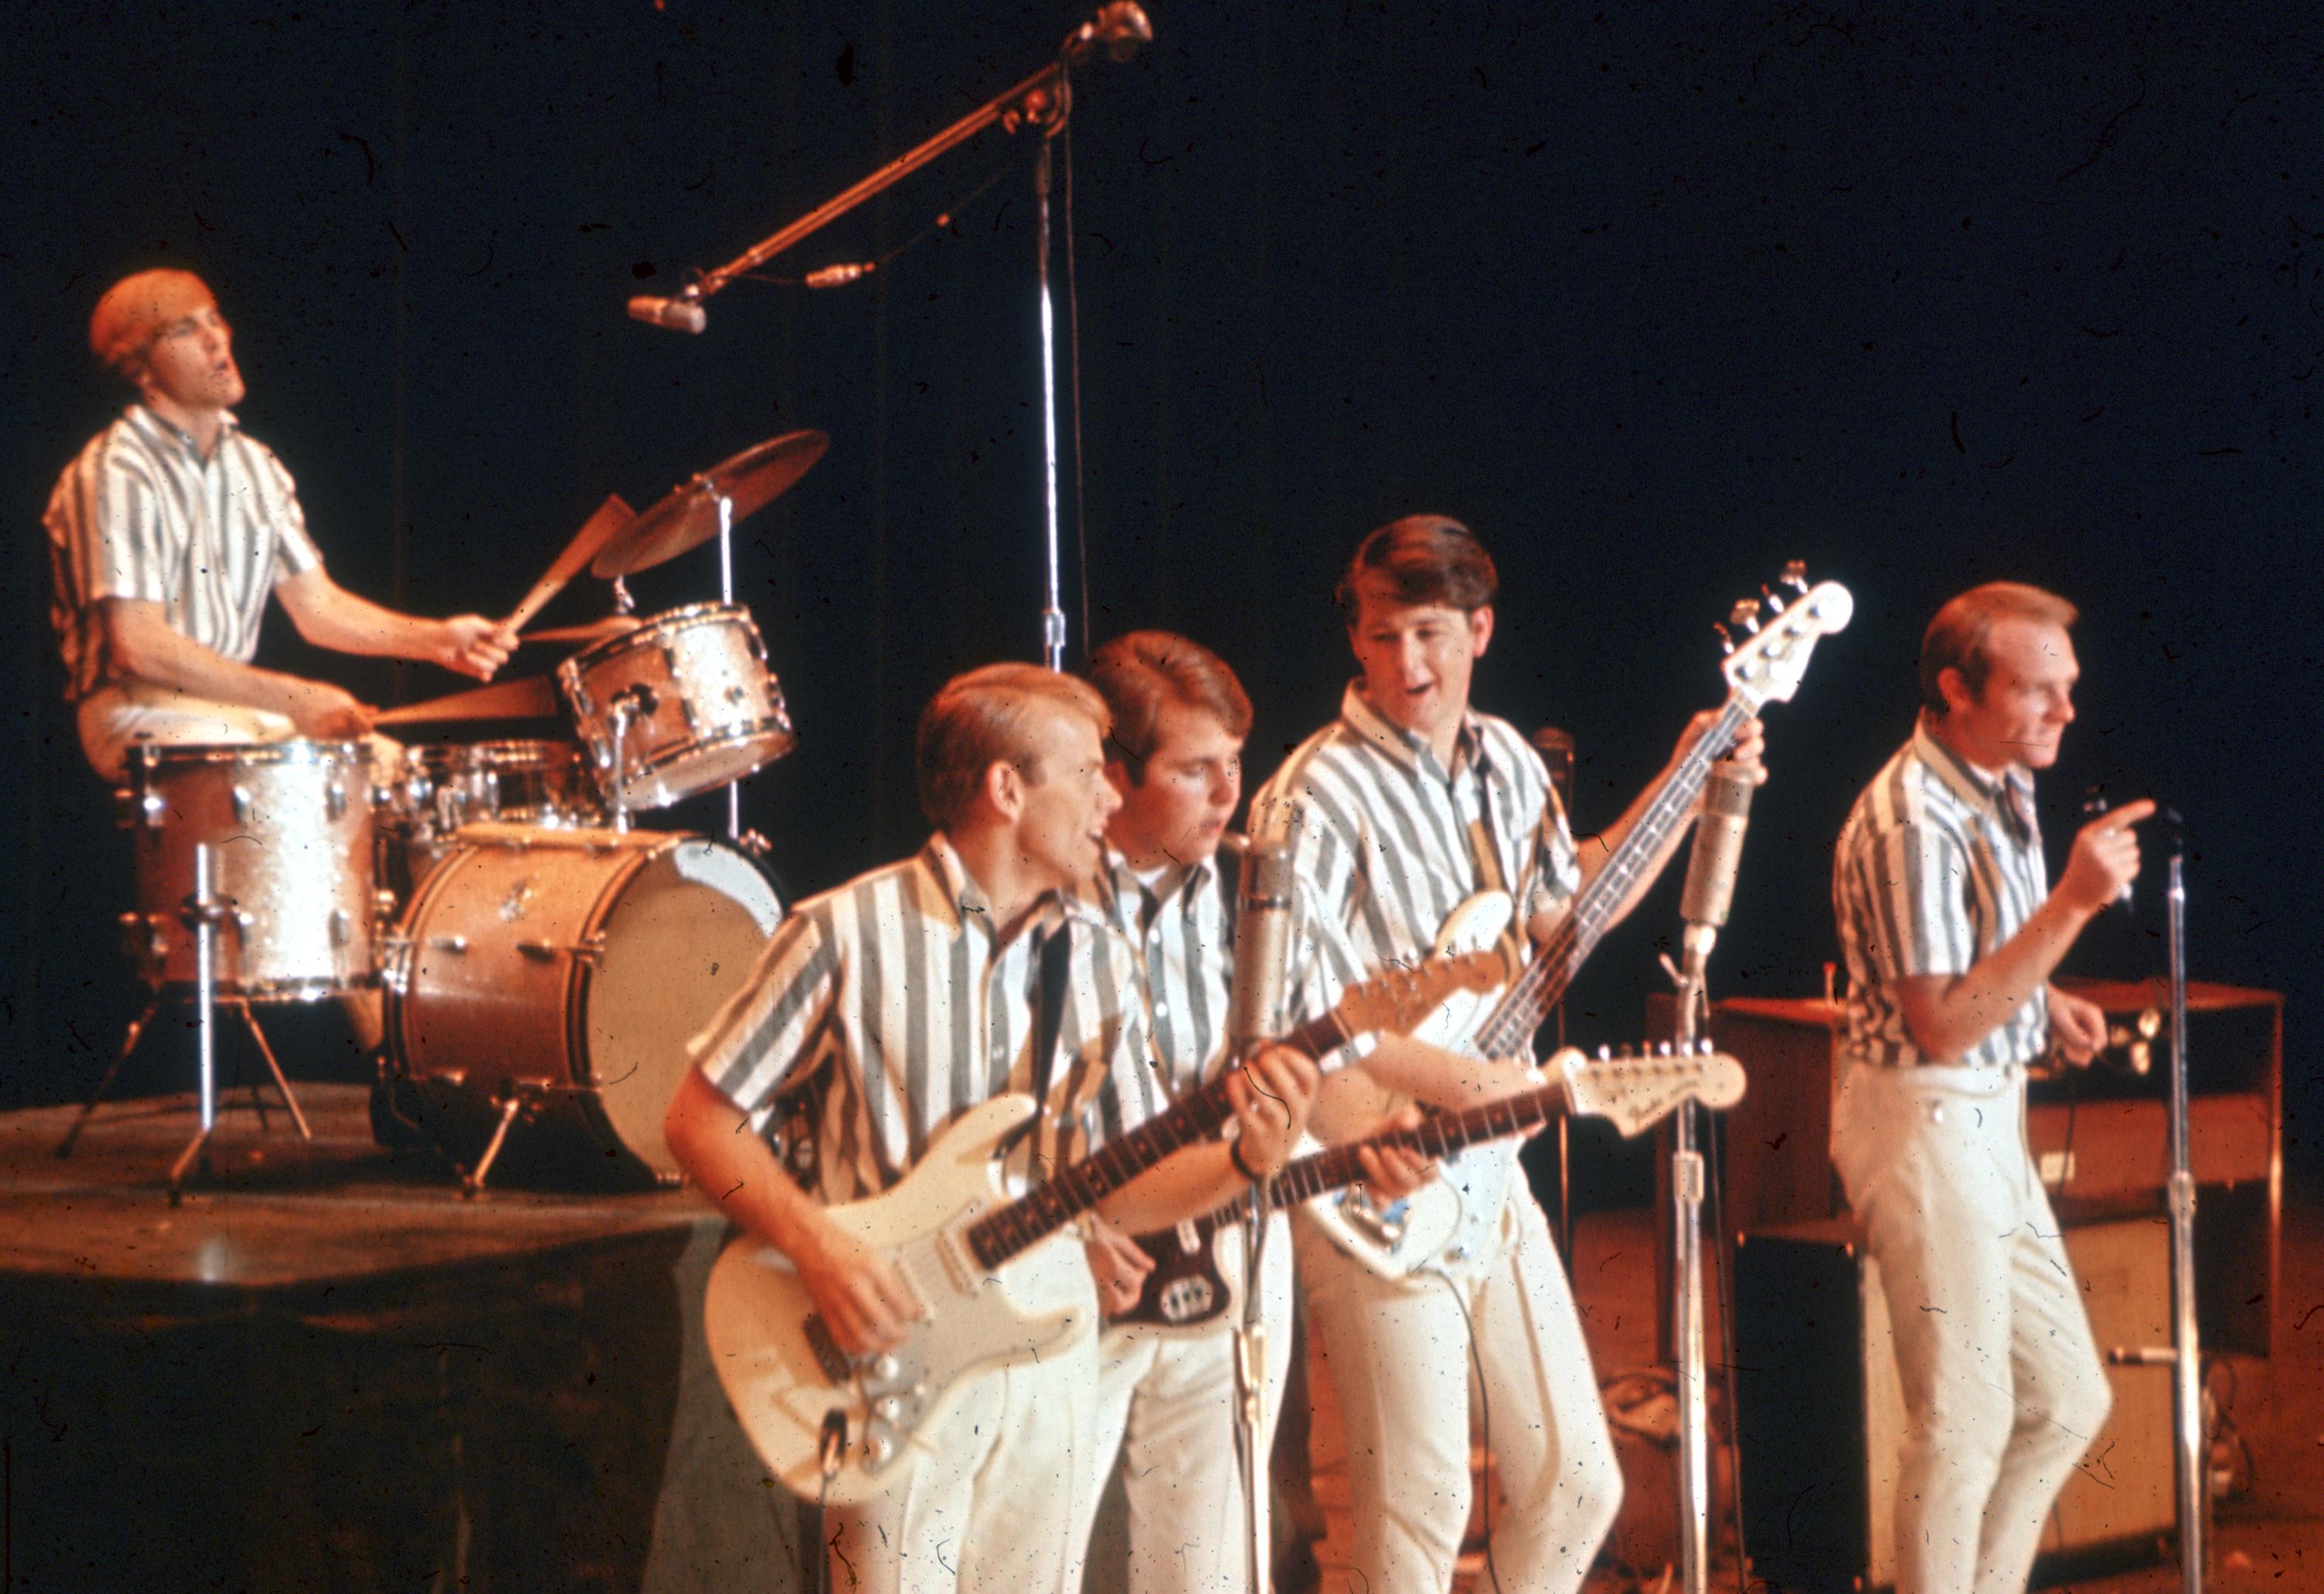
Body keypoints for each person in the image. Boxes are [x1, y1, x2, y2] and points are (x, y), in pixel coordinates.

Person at [663, 662, 1319, 1594]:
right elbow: (699, 1123)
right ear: (1007, 789)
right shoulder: (845, 932)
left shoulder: (1094, 956)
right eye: (1088, 772)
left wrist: (1247, 1159)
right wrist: (817, 1250)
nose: (1110, 797)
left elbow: (1118, 1186)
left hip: (1049, 1344)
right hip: (892, 1349)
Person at [1250, 514, 1763, 1594]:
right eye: (1384, 636)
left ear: (1481, 628)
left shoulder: (1509, 764)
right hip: (1371, 1173)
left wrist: (1686, 774)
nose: (1408, 663)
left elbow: (1562, 916)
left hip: (1491, 1164)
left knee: (1580, 1485)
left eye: (1432, 633)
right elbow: (1298, 1017)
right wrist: (1470, 1087)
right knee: (1421, 1508)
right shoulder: (1313, 792)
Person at [1071, 630, 1429, 1594]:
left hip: (1228, 1248)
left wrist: (1372, 1141)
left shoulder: (1259, 888)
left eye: (1235, 762)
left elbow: (1331, 1067)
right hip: (1078, 1259)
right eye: (1195, 770)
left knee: (1209, 1561)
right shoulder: (1046, 894)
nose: (1231, 793)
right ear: (1114, 773)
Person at [1831, 582, 2141, 1594]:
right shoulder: (1911, 816)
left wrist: (2045, 1001)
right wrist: (2076, 902)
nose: (2064, 711)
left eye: (2068, 688)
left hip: (1985, 1113)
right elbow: (1945, 1021)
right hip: (1922, 1113)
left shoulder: (2000, 777)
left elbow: (1979, 960)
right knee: (1960, 1424)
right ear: (1957, 688)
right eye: (2036, 691)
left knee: (2064, 1400)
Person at [45, 267, 514, 784]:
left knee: (393, 770)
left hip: (228, 707)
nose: (216, 338)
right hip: (136, 711)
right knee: (273, 766)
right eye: (184, 330)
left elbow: (318, 607)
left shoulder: (255, 465)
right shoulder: (115, 469)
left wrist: (438, 640)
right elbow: (140, 646)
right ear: (140, 368)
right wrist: (295, 700)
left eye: (215, 319)